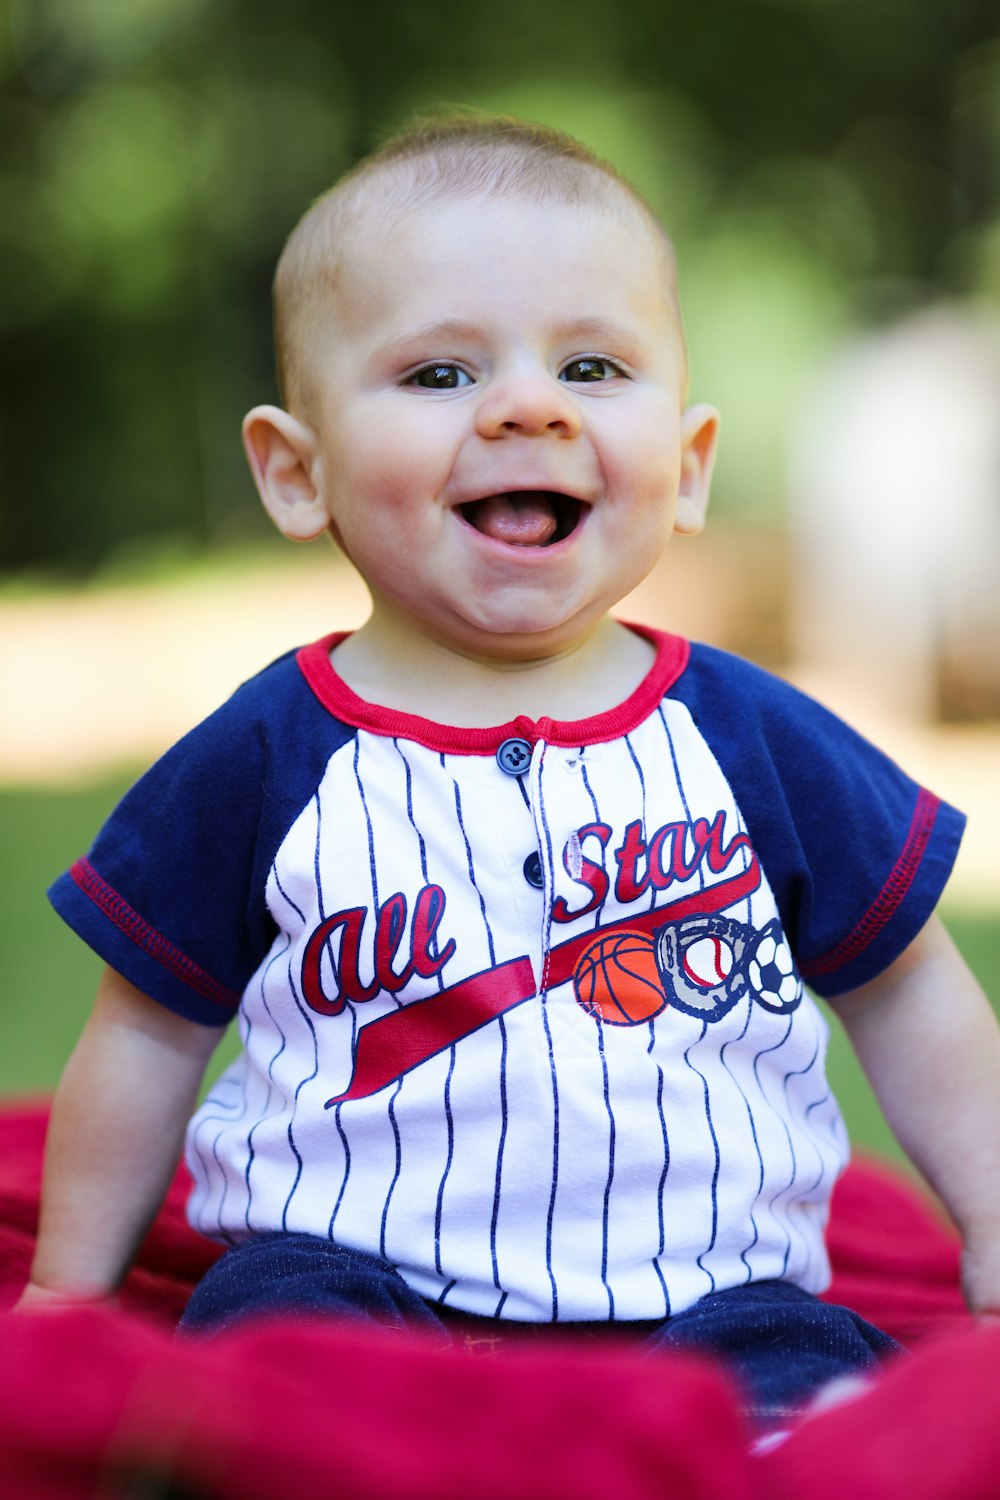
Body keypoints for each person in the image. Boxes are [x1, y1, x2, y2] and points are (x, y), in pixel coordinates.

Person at [18, 116, 1000, 1430]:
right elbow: (146, 1026)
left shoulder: (749, 736)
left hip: (711, 1294)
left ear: (689, 468)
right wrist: (66, 1302)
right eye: (437, 374)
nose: (529, 405)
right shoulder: (271, 750)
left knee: (824, 1393)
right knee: (261, 1362)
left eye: (591, 366)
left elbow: (910, 988)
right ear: (296, 474)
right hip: (349, 1270)